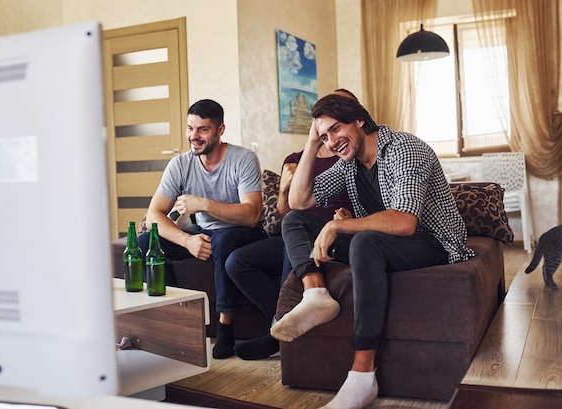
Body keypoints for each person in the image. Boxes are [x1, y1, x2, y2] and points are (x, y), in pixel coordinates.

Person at [270, 94, 475, 409]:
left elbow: (406, 221)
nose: (332, 141)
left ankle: (362, 376)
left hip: (433, 241)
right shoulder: (348, 164)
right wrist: (311, 144)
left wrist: (338, 227)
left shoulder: (405, 148)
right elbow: (300, 202)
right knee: (296, 221)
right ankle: (316, 296)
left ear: (360, 120)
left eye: (336, 129)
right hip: (385, 244)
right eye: (325, 136)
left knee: (365, 240)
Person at [225, 89, 357, 360]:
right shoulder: (296, 159)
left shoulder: (348, 154)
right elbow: (286, 216)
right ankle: (283, 319)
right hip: (296, 232)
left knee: (291, 247)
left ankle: (278, 333)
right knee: (236, 262)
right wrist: (285, 189)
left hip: (333, 236)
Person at [138, 98, 268, 359]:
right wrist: (187, 241)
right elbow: (154, 215)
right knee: (144, 243)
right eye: (190, 129)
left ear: (220, 130)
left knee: (223, 239)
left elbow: (252, 215)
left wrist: (203, 204)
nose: (193, 137)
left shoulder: (243, 160)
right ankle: (172, 320)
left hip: (240, 234)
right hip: (203, 236)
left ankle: (225, 330)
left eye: (202, 130)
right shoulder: (180, 164)